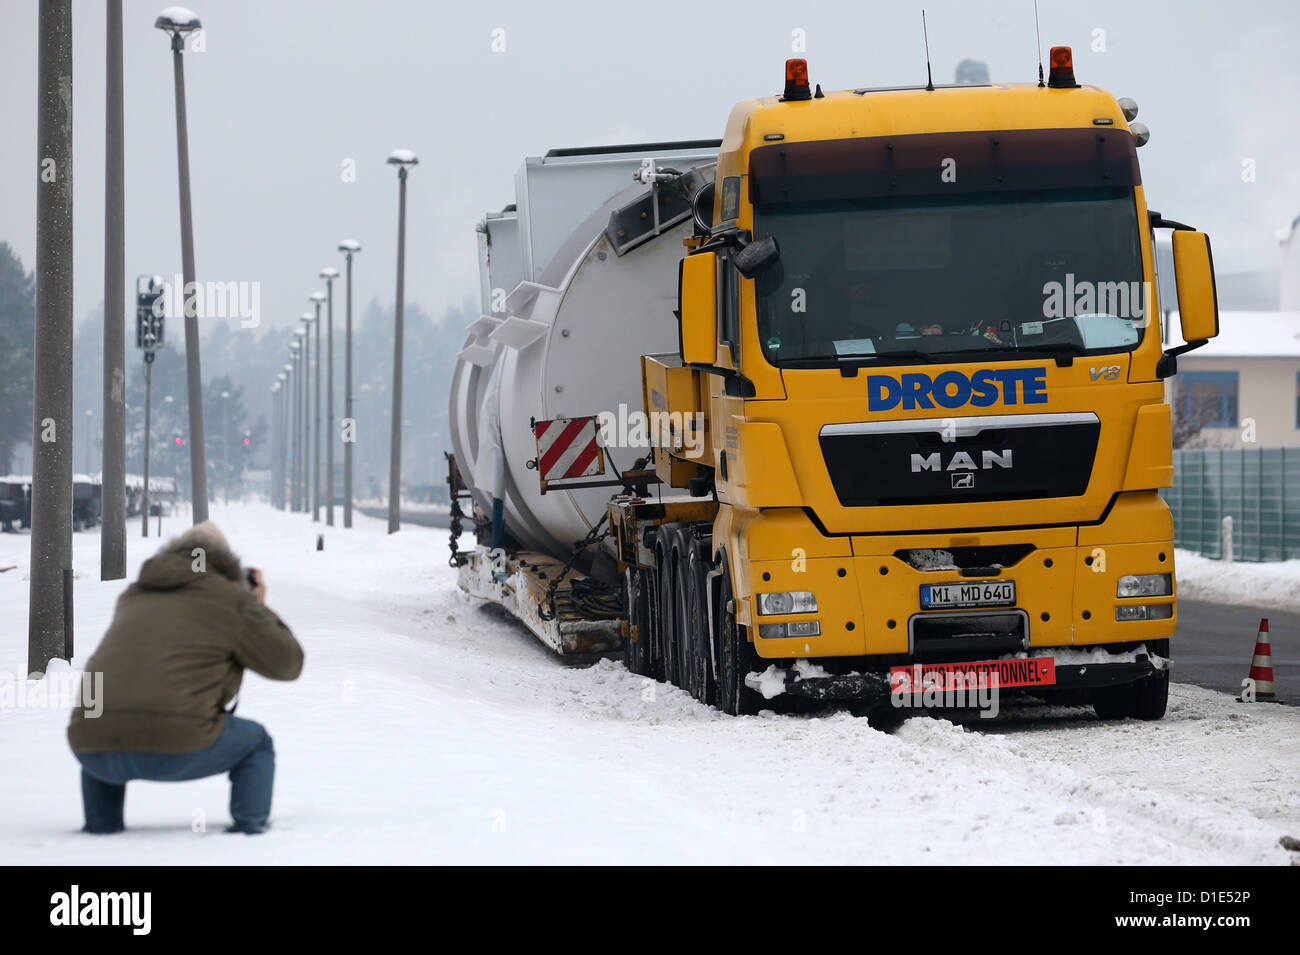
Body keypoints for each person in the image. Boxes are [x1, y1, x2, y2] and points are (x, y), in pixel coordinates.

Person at [67, 521, 303, 835]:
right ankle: (250, 829)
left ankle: (101, 826)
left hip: (92, 748)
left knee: (105, 721)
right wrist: (256, 606)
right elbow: (287, 664)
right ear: (226, 562)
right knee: (256, 742)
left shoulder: (134, 595)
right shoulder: (230, 599)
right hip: (177, 745)